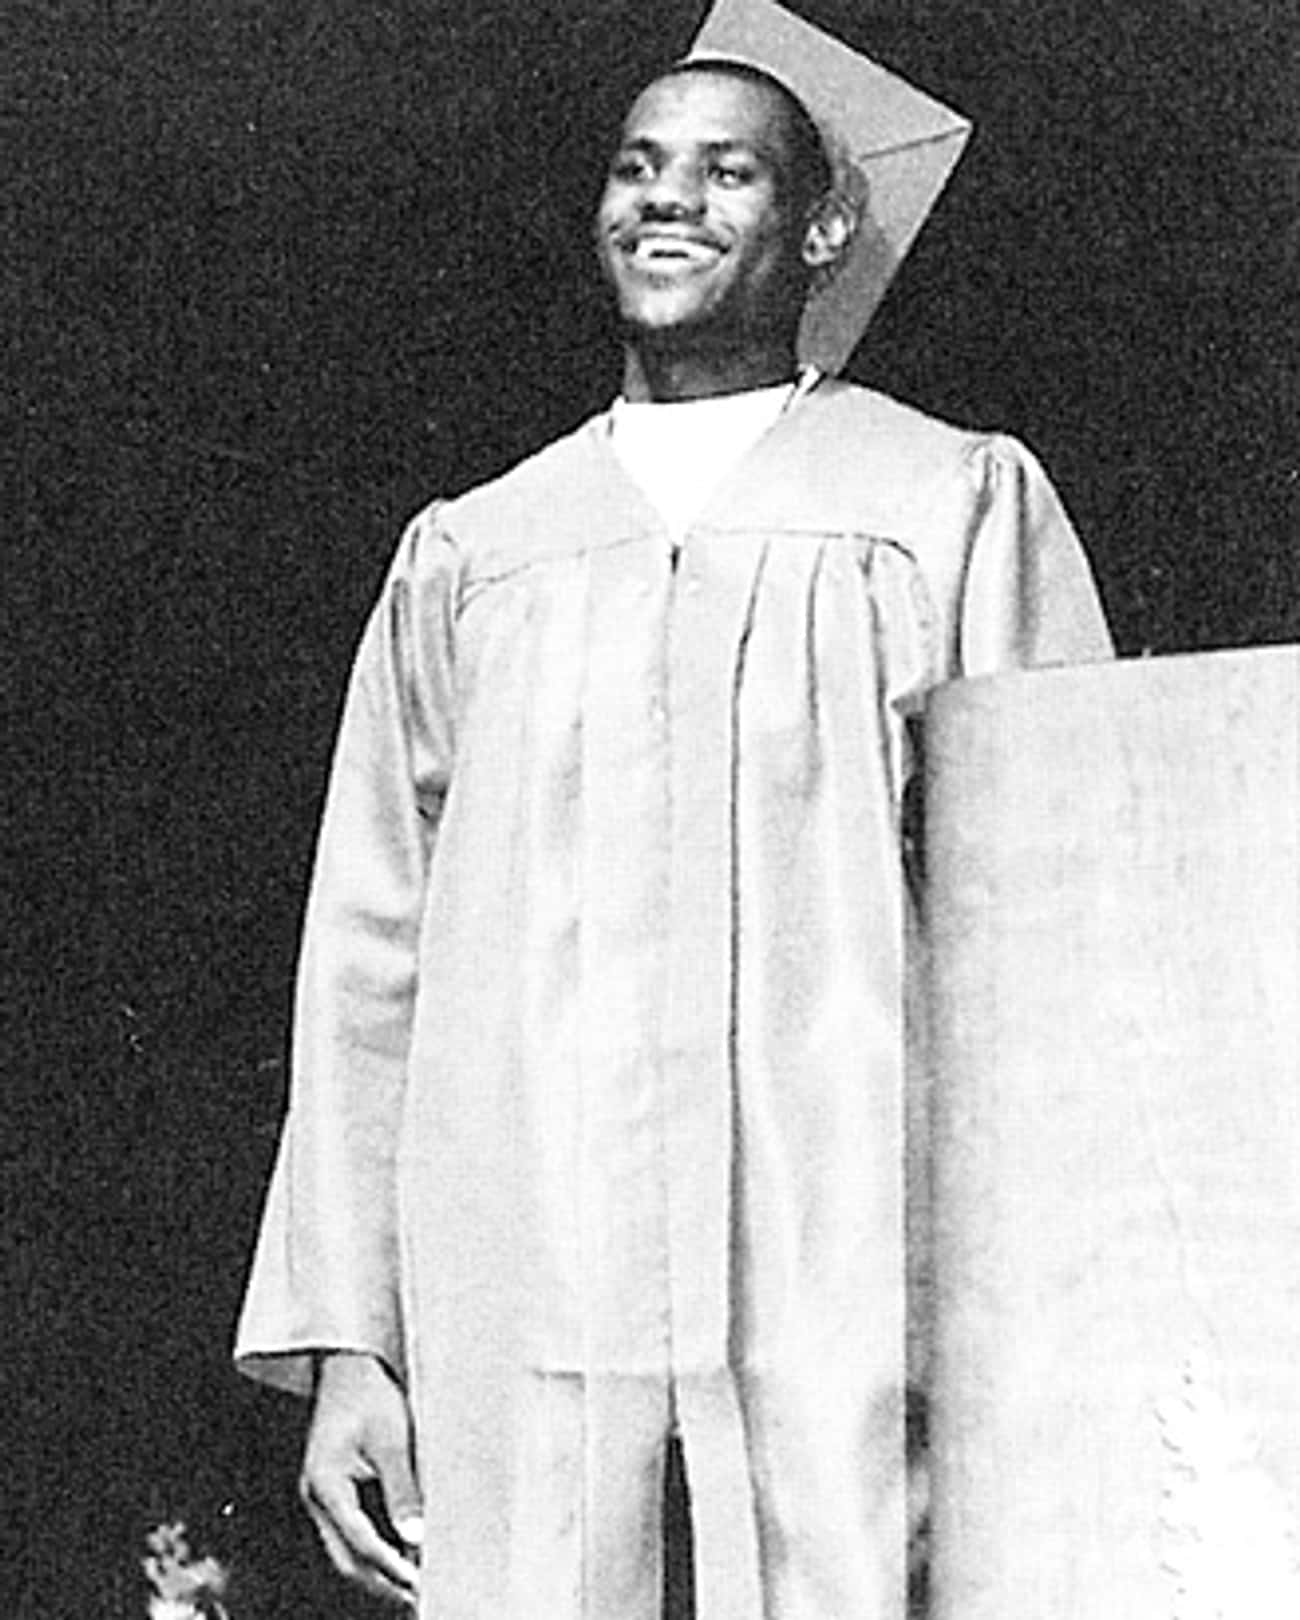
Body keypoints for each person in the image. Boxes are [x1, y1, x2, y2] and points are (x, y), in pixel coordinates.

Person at [233, 2, 1113, 1616]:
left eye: (728, 173)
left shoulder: (947, 503)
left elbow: (1067, 922)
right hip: (522, 1243)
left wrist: (1060, 1307)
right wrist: (354, 1346)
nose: (668, 201)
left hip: (854, 1234)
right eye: (638, 167)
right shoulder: (479, 550)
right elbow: (367, 954)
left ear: (824, 225)